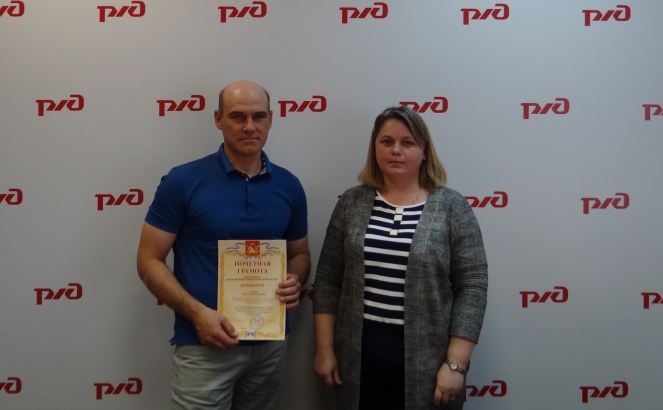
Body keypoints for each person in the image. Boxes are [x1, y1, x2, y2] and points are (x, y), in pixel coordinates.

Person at [137, 80, 311, 410]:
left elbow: (300, 253)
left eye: (259, 116)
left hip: (268, 345)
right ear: (218, 119)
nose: (249, 126)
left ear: (271, 119)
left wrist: (296, 278)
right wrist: (197, 314)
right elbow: (148, 260)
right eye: (237, 116)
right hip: (204, 345)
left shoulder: (289, 186)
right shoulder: (182, 181)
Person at [312, 106, 488, 409]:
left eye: (407, 142)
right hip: (356, 360)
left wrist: (456, 365)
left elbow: (472, 288)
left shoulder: (452, 207)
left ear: (424, 151)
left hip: (430, 363)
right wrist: (325, 349)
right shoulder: (351, 202)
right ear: (375, 148)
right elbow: (328, 280)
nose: (396, 150)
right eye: (387, 141)